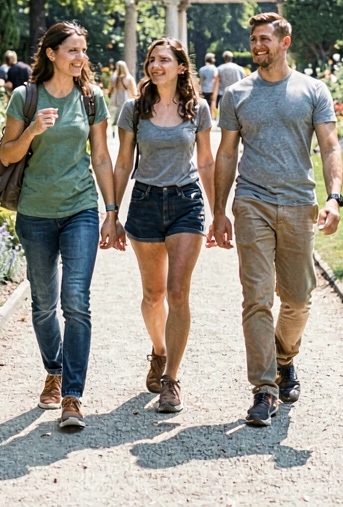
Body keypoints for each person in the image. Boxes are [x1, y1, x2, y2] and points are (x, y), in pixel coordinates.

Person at [208, 13, 343, 427]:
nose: (257, 46)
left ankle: (285, 358)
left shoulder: (312, 90)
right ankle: (264, 388)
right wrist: (219, 209)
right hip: (252, 202)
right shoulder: (237, 94)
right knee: (257, 297)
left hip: (299, 202)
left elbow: (330, 146)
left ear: (285, 42)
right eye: (253, 39)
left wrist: (334, 197)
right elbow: (227, 154)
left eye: (265, 39)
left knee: (299, 297)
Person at [0, 22, 118, 430]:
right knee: (44, 303)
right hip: (35, 213)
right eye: (72, 50)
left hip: (80, 209)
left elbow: (101, 157)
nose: (80, 57)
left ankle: (72, 395)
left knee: (76, 301)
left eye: (83, 50)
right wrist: (32, 129)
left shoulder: (91, 98)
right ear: (51, 53)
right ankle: (54, 368)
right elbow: (8, 155)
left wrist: (112, 210)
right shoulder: (25, 97)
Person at [111, 38, 215, 414]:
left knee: (178, 293)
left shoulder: (197, 109)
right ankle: (158, 350)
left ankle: (171, 379)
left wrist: (219, 212)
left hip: (186, 202)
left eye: (164, 60)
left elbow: (205, 162)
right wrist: (112, 213)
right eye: (152, 60)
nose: (156, 66)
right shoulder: (134, 109)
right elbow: (123, 162)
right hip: (145, 203)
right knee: (153, 296)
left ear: (180, 67)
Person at [108, 60, 138, 127]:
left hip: (115, 97)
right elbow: (132, 89)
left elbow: (110, 88)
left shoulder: (113, 78)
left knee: (114, 113)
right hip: (125, 96)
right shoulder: (129, 78)